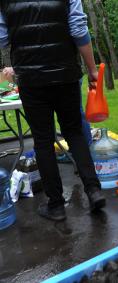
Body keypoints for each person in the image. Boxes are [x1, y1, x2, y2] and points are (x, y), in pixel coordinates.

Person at [0, 0, 105, 221]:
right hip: (65, 73)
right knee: (74, 132)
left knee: (43, 140)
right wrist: (92, 68)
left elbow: (2, 38)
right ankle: (94, 191)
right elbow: (78, 28)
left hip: (31, 79)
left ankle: (56, 206)